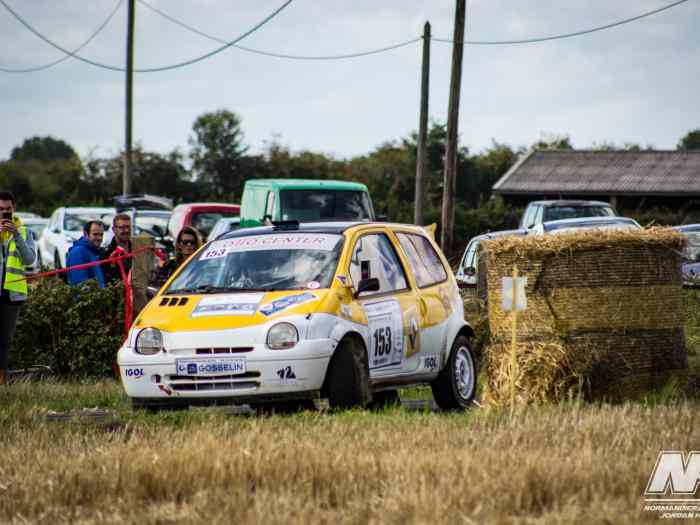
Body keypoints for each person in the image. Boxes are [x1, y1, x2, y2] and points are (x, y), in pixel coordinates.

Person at [0, 191, 36, 385]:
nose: (5, 212)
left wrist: (15, 235)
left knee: (5, 340)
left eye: (8, 209)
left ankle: (2, 379)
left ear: (14, 208)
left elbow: (30, 259)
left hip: (12, 296)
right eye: (1, 209)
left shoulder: (24, 231)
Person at [66, 220, 105, 288]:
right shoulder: (78, 252)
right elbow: (80, 285)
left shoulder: (93, 251)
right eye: (95, 234)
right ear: (85, 234)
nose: (99, 238)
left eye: (101, 234)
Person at [101, 213, 132, 285]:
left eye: (128, 227)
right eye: (122, 227)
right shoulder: (106, 254)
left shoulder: (137, 250)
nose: (126, 230)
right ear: (114, 229)